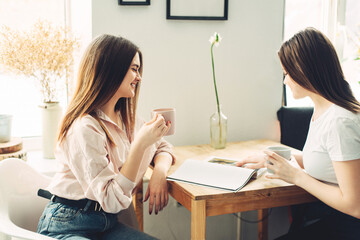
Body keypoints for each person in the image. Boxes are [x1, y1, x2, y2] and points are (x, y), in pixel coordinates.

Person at [36, 34, 175, 240]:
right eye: (134, 69)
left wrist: (159, 174)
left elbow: (163, 148)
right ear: (111, 70)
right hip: (67, 224)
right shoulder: (84, 127)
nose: (139, 77)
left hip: (105, 224)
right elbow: (111, 200)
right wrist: (140, 144)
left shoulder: (127, 119)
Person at [236, 28, 360, 240]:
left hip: (348, 227)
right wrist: (271, 160)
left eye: (287, 73)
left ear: (305, 70)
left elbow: (354, 204)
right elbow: (329, 161)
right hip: (332, 220)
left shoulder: (340, 121)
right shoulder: (323, 109)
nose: (285, 81)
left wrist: (296, 176)